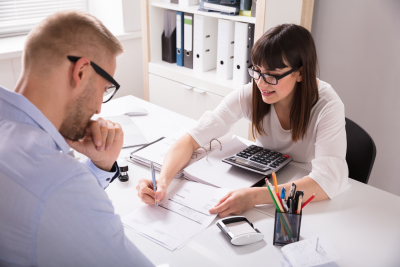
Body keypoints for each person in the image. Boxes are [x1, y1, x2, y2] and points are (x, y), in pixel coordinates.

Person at [137, 24, 349, 218]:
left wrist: (255, 197)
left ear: (300, 73)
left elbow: (326, 181)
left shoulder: (327, 106)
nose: (261, 83)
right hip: (267, 177)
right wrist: (163, 181)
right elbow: (192, 138)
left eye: (272, 75)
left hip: (306, 198)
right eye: (256, 71)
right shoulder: (252, 94)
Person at [0, 11, 153, 267]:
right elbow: (56, 197)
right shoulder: (57, 184)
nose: (99, 109)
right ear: (81, 71)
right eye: (105, 89)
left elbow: (47, 212)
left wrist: (100, 165)